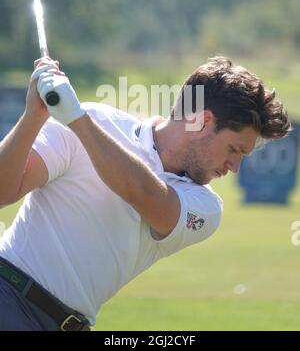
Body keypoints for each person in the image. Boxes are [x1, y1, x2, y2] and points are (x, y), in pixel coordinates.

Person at [0, 56, 290, 331]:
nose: (236, 167)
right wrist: (32, 118)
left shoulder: (205, 207)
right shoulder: (97, 120)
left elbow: (144, 195)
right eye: (234, 149)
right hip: (7, 294)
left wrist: (77, 119)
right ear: (203, 121)